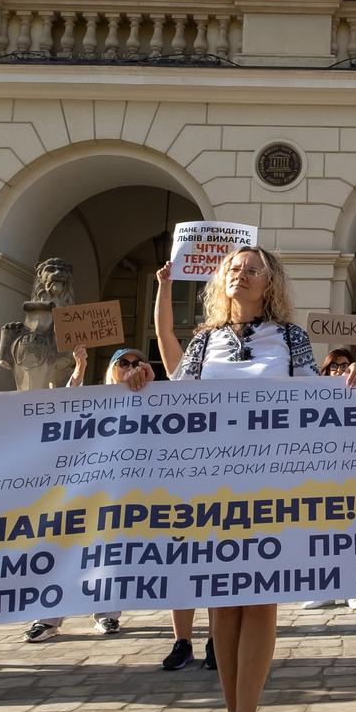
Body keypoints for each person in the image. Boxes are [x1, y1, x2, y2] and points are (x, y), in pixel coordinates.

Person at [178, 245, 356, 712]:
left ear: (270, 283)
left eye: (252, 270)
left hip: (271, 483)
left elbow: (310, 391)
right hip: (211, 484)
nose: (241, 275)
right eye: (233, 269)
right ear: (223, 280)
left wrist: (346, 382)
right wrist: (135, 381)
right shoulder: (202, 341)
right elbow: (176, 399)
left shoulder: (289, 338)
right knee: (222, 603)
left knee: (258, 601)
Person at [24, 346, 157, 644]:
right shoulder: (94, 396)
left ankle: (107, 614)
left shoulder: (150, 397)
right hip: (80, 488)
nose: (130, 366)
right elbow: (67, 406)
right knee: (63, 549)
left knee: (109, 552)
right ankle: (47, 618)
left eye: (137, 362)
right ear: (111, 368)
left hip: (121, 490)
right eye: (123, 362)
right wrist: (79, 368)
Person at [153, 268, 228, 657]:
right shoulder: (187, 373)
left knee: (220, 563)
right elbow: (165, 335)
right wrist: (165, 287)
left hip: (228, 480)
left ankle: (217, 640)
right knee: (184, 562)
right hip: (187, 480)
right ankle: (182, 639)